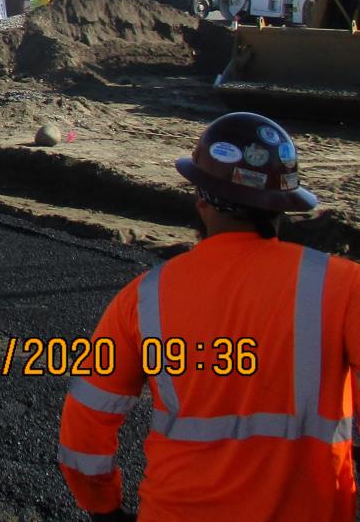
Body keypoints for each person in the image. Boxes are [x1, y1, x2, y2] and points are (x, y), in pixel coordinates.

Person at [58, 111, 359, 522]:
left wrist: (103, 508)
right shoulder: (344, 287)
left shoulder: (144, 298)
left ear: (201, 198)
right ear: (282, 205)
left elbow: (85, 422)